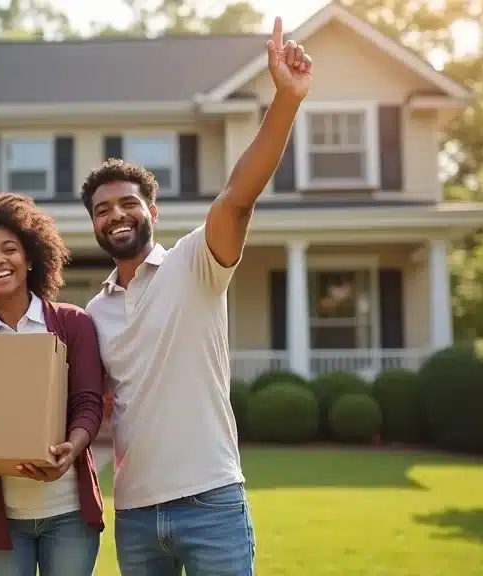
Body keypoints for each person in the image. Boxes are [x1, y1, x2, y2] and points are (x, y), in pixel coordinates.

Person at [79, 18, 313, 576]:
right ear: (93, 226)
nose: (116, 215)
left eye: (128, 204)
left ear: (152, 212)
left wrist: (285, 99)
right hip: (134, 512)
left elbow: (237, 197)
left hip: (211, 501)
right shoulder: (94, 312)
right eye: (102, 210)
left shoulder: (195, 263)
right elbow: (93, 405)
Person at [0, 191, 107, 576]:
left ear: (29, 257)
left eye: (9, 249)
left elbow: (89, 404)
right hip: (1, 521)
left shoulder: (72, 323)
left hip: (70, 515)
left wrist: (72, 448)